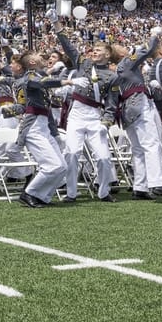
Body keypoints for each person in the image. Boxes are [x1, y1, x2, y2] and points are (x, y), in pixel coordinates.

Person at [111, 31, 162, 203]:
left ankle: (140, 186)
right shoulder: (126, 63)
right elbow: (149, 50)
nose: (126, 48)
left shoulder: (120, 68)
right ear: (120, 54)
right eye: (122, 48)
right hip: (139, 104)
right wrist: (154, 35)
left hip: (128, 109)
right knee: (151, 144)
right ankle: (158, 183)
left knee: (139, 149)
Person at [56, 33, 116, 202]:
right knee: (72, 153)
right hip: (76, 113)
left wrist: (107, 122)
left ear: (107, 54)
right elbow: (69, 48)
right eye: (94, 49)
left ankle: (104, 192)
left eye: (98, 50)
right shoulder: (84, 63)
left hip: (95, 116)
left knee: (104, 157)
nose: (94, 52)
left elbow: (112, 103)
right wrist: (57, 27)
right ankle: (71, 193)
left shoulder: (112, 76)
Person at [12, 52, 69, 207]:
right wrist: (66, 81)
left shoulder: (38, 75)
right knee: (52, 165)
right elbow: (42, 83)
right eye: (38, 56)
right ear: (31, 62)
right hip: (34, 127)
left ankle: (42, 196)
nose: (44, 58)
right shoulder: (30, 77)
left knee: (62, 167)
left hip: (43, 126)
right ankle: (29, 193)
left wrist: (55, 132)